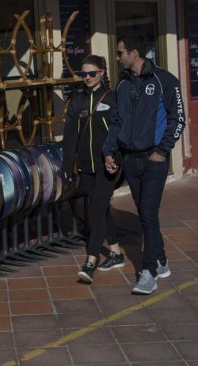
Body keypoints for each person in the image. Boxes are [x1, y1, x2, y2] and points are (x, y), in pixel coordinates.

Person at [103, 33, 186, 294]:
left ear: (134, 52)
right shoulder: (123, 85)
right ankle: (161, 260)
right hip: (130, 160)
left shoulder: (164, 80)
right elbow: (117, 122)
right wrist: (109, 151)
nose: (117, 58)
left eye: (120, 53)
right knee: (145, 214)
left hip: (154, 161)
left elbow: (178, 119)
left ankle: (148, 272)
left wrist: (162, 151)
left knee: (148, 215)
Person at [62, 55, 123, 284]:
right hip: (86, 165)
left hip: (108, 164)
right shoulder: (77, 101)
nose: (87, 77)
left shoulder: (113, 98)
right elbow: (70, 137)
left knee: (97, 211)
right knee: (101, 208)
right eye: (83, 74)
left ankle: (90, 263)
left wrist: (114, 156)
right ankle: (116, 253)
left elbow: (119, 131)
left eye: (92, 73)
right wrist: (68, 165)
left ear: (102, 72)